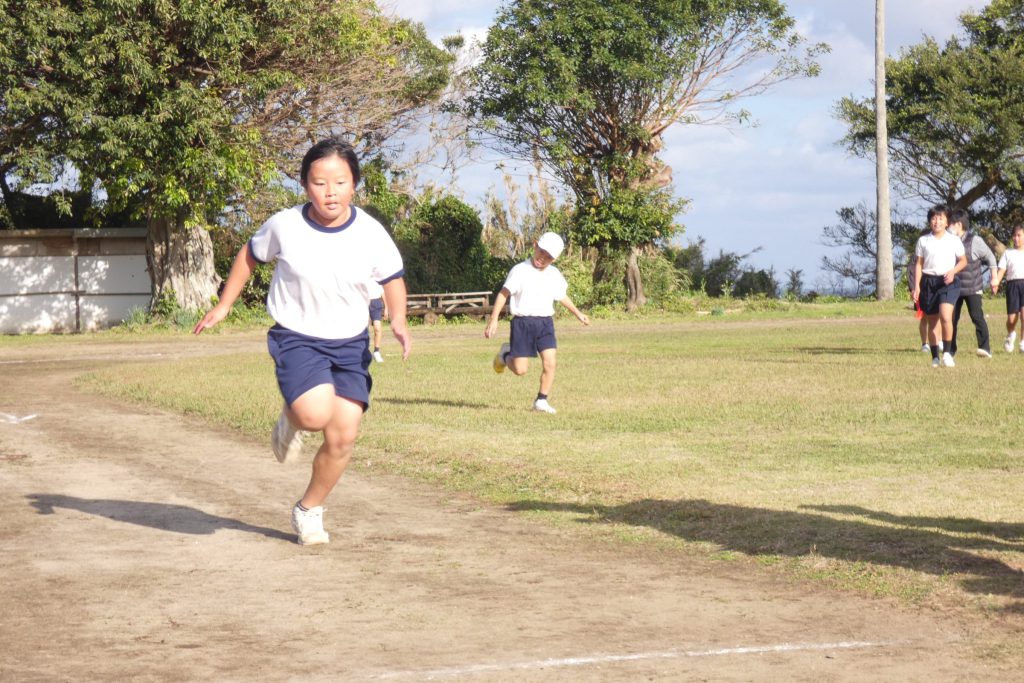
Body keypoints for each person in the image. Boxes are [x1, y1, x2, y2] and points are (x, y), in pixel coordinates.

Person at [193, 138, 411, 545]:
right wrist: (224, 305)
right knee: (313, 415)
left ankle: (309, 509)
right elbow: (249, 255)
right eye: (319, 183)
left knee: (343, 435)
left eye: (340, 182)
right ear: (305, 185)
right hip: (297, 335)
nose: (330, 192)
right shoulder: (285, 225)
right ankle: (293, 417)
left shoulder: (370, 232)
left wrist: (397, 318)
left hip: (350, 343)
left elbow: (392, 279)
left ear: (354, 184)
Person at [484, 232, 590, 414]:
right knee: (520, 370)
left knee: (550, 363)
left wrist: (578, 313)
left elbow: (561, 296)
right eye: (541, 252)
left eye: (548, 257)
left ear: (554, 259)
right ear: (535, 245)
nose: (543, 258)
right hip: (523, 323)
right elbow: (503, 294)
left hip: (545, 323)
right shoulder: (520, 270)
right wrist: (493, 320)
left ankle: (541, 400)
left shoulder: (554, 274)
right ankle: (505, 354)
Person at [912, 204, 967, 368]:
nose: (937, 221)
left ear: (947, 221)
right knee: (933, 322)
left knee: (946, 316)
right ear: (930, 221)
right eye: (934, 218)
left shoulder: (954, 240)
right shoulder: (923, 241)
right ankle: (935, 356)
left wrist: (953, 271)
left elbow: (963, 261)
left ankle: (947, 354)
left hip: (948, 281)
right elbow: (918, 264)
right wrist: (917, 286)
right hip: (929, 282)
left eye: (940, 218)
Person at [948, 208, 997, 359]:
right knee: (951, 319)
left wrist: (994, 278)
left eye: (951, 223)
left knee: (977, 317)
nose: (948, 226)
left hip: (972, 287)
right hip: (954, 287)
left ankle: (985, 348)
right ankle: (950, 350)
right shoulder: (949, 241)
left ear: (959, 224)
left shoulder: (975, 241)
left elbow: (990, 257)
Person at [992, 224, 1024, 353]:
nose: (1016, 238)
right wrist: (996, 283)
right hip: (1012, 286)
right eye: (1014, 236)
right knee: (1012, 319)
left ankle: (1022, 343)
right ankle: (1011, 334)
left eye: (1019, 235)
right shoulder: (1008, 253)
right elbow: (1001, 271)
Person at [369, 291, 387, 363]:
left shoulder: (378, 283)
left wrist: (386, 308)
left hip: (376, 303)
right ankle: (364, 352)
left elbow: (382, 292)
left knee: (377, 328)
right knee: (364, 330)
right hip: (363, 302)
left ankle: (376, 352)